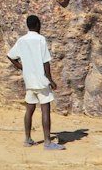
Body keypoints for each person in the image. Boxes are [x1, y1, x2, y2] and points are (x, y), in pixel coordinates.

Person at [6, 15, 65, 150]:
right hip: (41, 81)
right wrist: (50, 80)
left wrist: (22, 67)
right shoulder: (40, 39)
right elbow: (46, 62)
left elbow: (10, 55)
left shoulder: (22, 40)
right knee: (45, 110)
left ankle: (27, 139)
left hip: (29, 80)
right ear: (38, 24)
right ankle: (47, 142)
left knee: (29, 109)